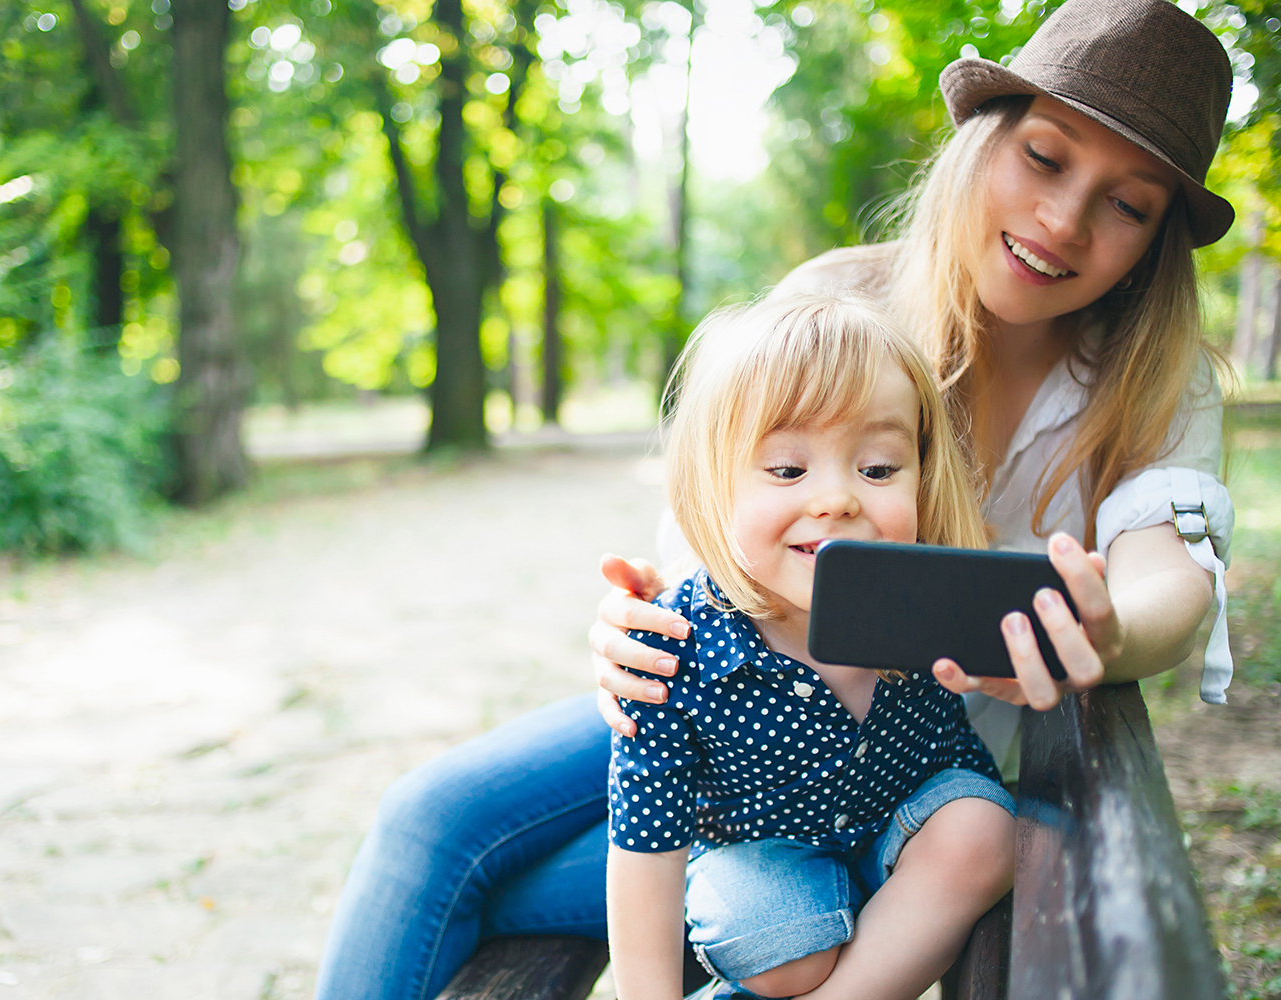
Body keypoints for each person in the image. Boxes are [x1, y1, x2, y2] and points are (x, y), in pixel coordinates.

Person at [313, 2, 1237, 998]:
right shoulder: (837, 302)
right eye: (1044, 158)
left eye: (1126, 204)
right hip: (728, 700)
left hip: (893, 780)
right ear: (979, 144)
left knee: (475, 882)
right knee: (426, 821)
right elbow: (708, 534)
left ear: (1154, 241)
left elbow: (1164, 580)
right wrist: (636, 620)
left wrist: (1099, 626)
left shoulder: (1148, 382)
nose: (1062, 220)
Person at [605, 295, 1014, 1000]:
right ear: (714, 487)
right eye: (788, 470)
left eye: (879, 470)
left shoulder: (929, 599)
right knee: (777, 945)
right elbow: (647, 848)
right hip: (766, 865)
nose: (836, 500)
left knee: (984, 829)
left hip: (909, 835)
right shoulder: (671, 646)